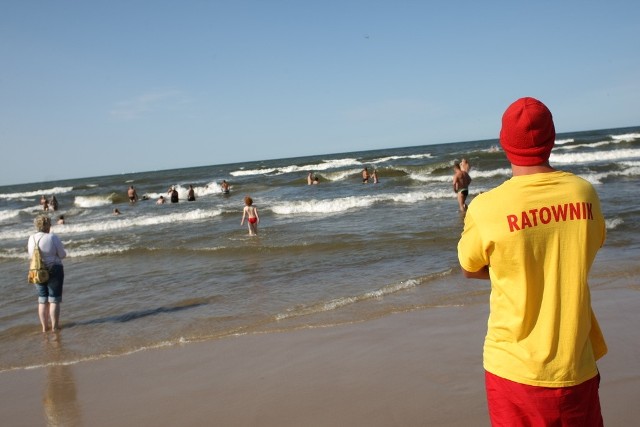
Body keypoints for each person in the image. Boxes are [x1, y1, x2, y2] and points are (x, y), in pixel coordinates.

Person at [457, 97, 607, 426]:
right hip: (575, 362)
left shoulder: (485, 207)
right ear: (551, 139)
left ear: (504, 143)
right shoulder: (584, 194)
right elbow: (587, 249)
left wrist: (514, 269)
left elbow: (470, 269)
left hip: (513, 367)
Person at [28, 215, 67, 332]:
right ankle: (55, 327)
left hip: (37, 271)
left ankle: (45, 328)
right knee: (54, 299)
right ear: (47, 226)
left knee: (42, 299)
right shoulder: (52, 237)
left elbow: (31, 256)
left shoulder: (31, 238)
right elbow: (62, 255)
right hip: (54, 269)